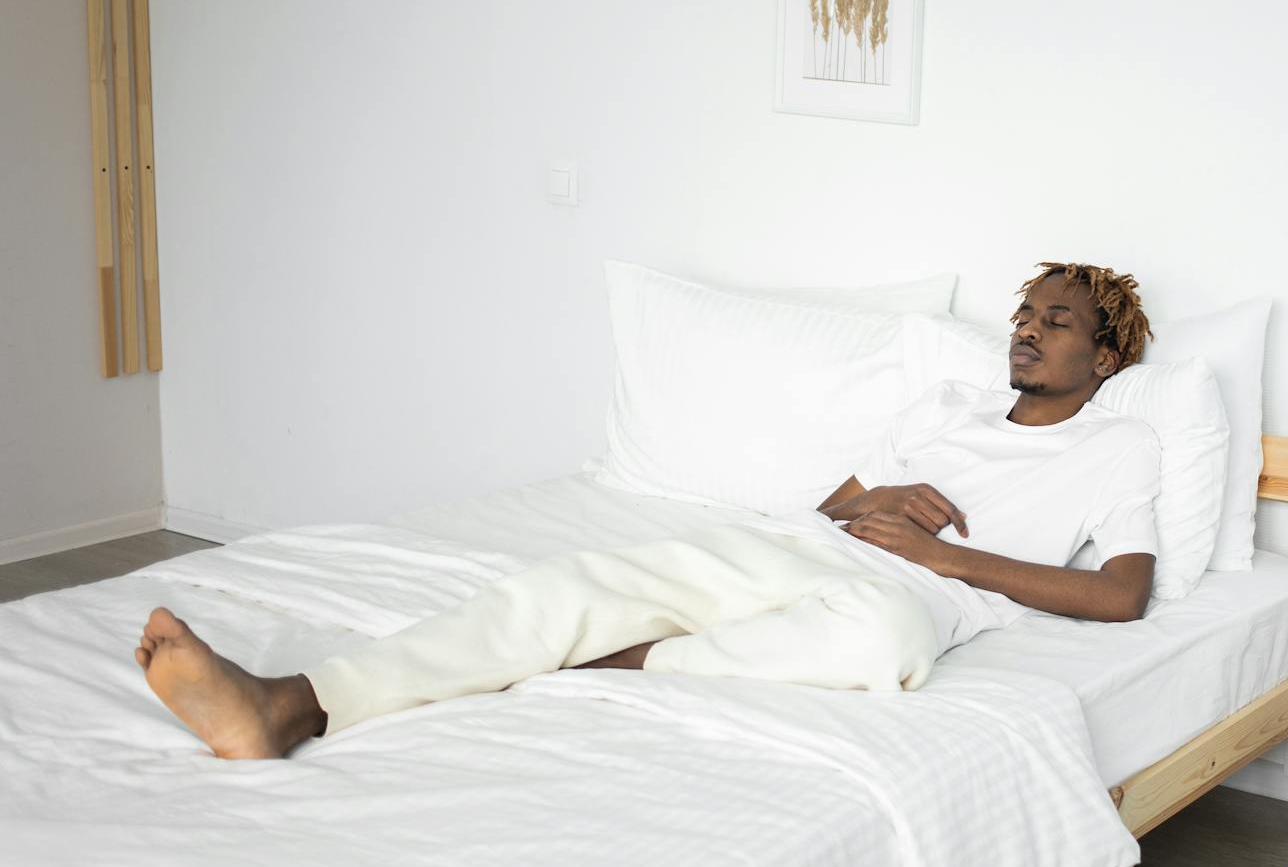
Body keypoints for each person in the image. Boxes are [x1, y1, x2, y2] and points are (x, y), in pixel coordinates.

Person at [135, 263, 1162, 759]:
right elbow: (829, 506)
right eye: (1022, 314)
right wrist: (873, 497)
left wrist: (949, 565)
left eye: (1056, 321)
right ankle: (290, 702)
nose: (1025, 331)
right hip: (802, 552)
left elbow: (1120, 595)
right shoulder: (944, 405)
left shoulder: (1115, 447)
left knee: (881, 632)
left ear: (1103, 357)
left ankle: (620, 661)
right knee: (570, 579)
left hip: (904, 598)